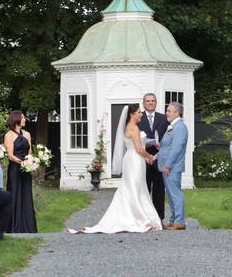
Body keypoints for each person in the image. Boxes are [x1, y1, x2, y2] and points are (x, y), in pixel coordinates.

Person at [75, 104, 162, 233]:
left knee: (133, 187)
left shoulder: (128, 127)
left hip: (130, 159)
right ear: (132, 114)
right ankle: (139, 218)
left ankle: (133, 215)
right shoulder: (134, 128)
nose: (141, 114)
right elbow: (139, 149)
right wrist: (150, 157)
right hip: (135, 161)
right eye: (139, 112)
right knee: (134, 188)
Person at [3, 110, 37, 233]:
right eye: (23, 118)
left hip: (26, 169)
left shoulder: (27, 134)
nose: (25, 120)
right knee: (15, 194)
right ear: (16, 119)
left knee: (26, 194)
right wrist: (22, 163)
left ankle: (27, 226)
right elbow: (10, 155)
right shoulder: (9, 135)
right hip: (15, 169)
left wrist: (31, 163)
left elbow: (30, 153)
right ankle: (14, 226)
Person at [137, 92, 168, 221]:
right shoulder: (138, 118)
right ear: (144, 103)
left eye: (153, 101)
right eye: (148, 101)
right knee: (143, 190)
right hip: (142, 159)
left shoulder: (163, 118)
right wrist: (146, 156)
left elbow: (167, 137)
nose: (150, 103)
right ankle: (144, 218)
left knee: (159, 190)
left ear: (156, 102)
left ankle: (159, 218)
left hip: (159, 159)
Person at [159, 101, 188, 230]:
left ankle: (179, 221)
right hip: (167, 166)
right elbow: (167, 145)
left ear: (177, 112)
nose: (167, 113)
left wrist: (168, 164)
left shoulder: (180, 127)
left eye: (169, 111)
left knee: (176, 195)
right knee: (171, 195)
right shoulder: (172, 126)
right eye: (167, 110)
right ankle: (173, 220)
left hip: (172, 167)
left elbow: (176, 148)